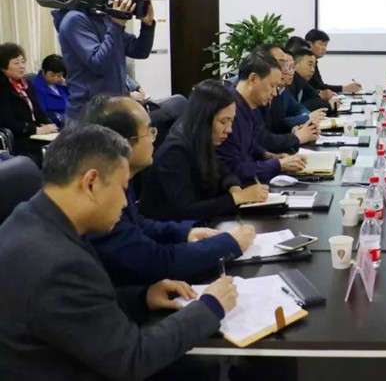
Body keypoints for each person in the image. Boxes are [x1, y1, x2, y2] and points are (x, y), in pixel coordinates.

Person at [0, 124, 237, 380]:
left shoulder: (32, 217)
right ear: (91, 183)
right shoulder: (58, 262)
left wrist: (143, 297)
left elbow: (76, 310)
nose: (125, 203)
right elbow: (132, 359)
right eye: (123, 188)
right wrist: (210, 307)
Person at [80, 94, 256, 285]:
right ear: (124, 143)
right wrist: (229, 244)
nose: (154, 139)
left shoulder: (118, 177)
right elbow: (155, 261)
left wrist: (186, 233)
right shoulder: (100, 193)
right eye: (150, 132)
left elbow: (139, 224)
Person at [143, 79, 275, 221]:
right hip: (172, 229)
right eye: (223, 122)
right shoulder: (174, 152)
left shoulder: (202, 140)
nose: (229, 129)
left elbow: (224, 172)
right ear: (204, 119)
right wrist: (237, 197)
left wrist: (234, 187)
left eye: (231, 121)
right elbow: (187, 210)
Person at [53, 0, 156, 120]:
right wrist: (117, 24)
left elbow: (139, 51)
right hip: (88, 115)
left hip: (110, 110)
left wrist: (147, 25)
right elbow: (99, 64)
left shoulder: (102, 17)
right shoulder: (74, 19)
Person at [216, 52, 307, 185]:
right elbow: (234, 169)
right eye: (272, 86)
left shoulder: (250, 106)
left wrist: (269, 156)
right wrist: (278, 164)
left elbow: (251, 144)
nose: (274, 93)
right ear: (253, 79)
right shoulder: (227, 111)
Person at [254, 44, 319, 152]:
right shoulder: (247, 100)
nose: (287, 70)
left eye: (290, 66)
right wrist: (296, 137)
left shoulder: (278, 90)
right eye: (281, 64)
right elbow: (261, 140)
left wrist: (295, 130)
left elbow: (277, 124)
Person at [0, 43, 58, 162]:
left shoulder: (26, 85)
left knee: (66, 143)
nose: (21, 66)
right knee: (48, 153)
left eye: (23, 62)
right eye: (16, 63)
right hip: (18, 137)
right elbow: (7, 122)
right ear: (3, 67)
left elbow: (38, 112)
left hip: (34, 133)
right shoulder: (2, 88)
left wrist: (49, 126)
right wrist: (36, 130)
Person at [305, 28, 362, 97]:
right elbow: (319, 86)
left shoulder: (314, 62)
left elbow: (320, 86)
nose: (324, 48)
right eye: (321, 44)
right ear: (309, 44)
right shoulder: (305, 63)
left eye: (325, 45)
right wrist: (345, 88)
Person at [291, 46, 339, 113]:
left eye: (314, 66)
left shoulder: (302, 81)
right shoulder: (289, 83)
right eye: (310, 65)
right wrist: (329, 105)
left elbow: (314, 97)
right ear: (295, 64)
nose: (313, 70)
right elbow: (296, 110)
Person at [31, 54, 70, 127]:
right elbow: (43, 113)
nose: (55, 78)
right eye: (52, 75)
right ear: (43, 72)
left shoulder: (62, 84)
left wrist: (67, 85)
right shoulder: (36, 88)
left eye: (59, 75)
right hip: (57, 124)